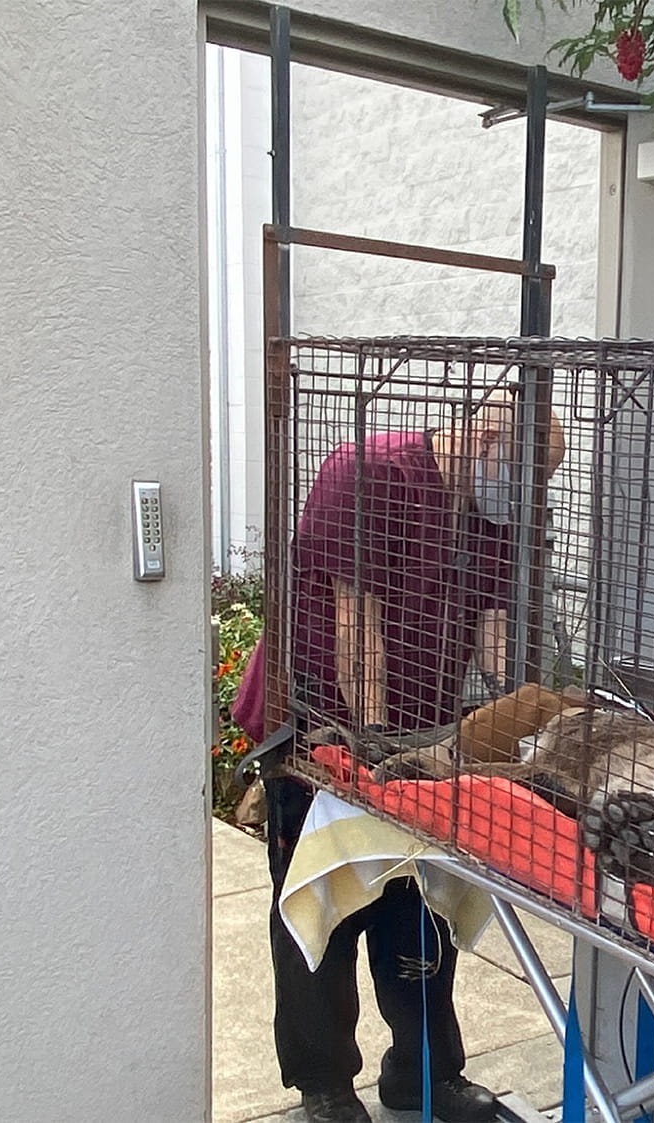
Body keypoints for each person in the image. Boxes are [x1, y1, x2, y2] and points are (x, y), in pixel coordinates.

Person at [232, 395, 561, 1123]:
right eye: (525, 475)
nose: (526, 496)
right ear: (484, 435)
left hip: (423, 732)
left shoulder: (493, 513)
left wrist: (505, 715)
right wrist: (379, 747)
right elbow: (358, 630)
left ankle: (425, 1074)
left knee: (420, 903)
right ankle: (324, 1085)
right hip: (324, 721)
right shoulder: (368, 473)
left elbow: (495, 625)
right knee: (323, 900)